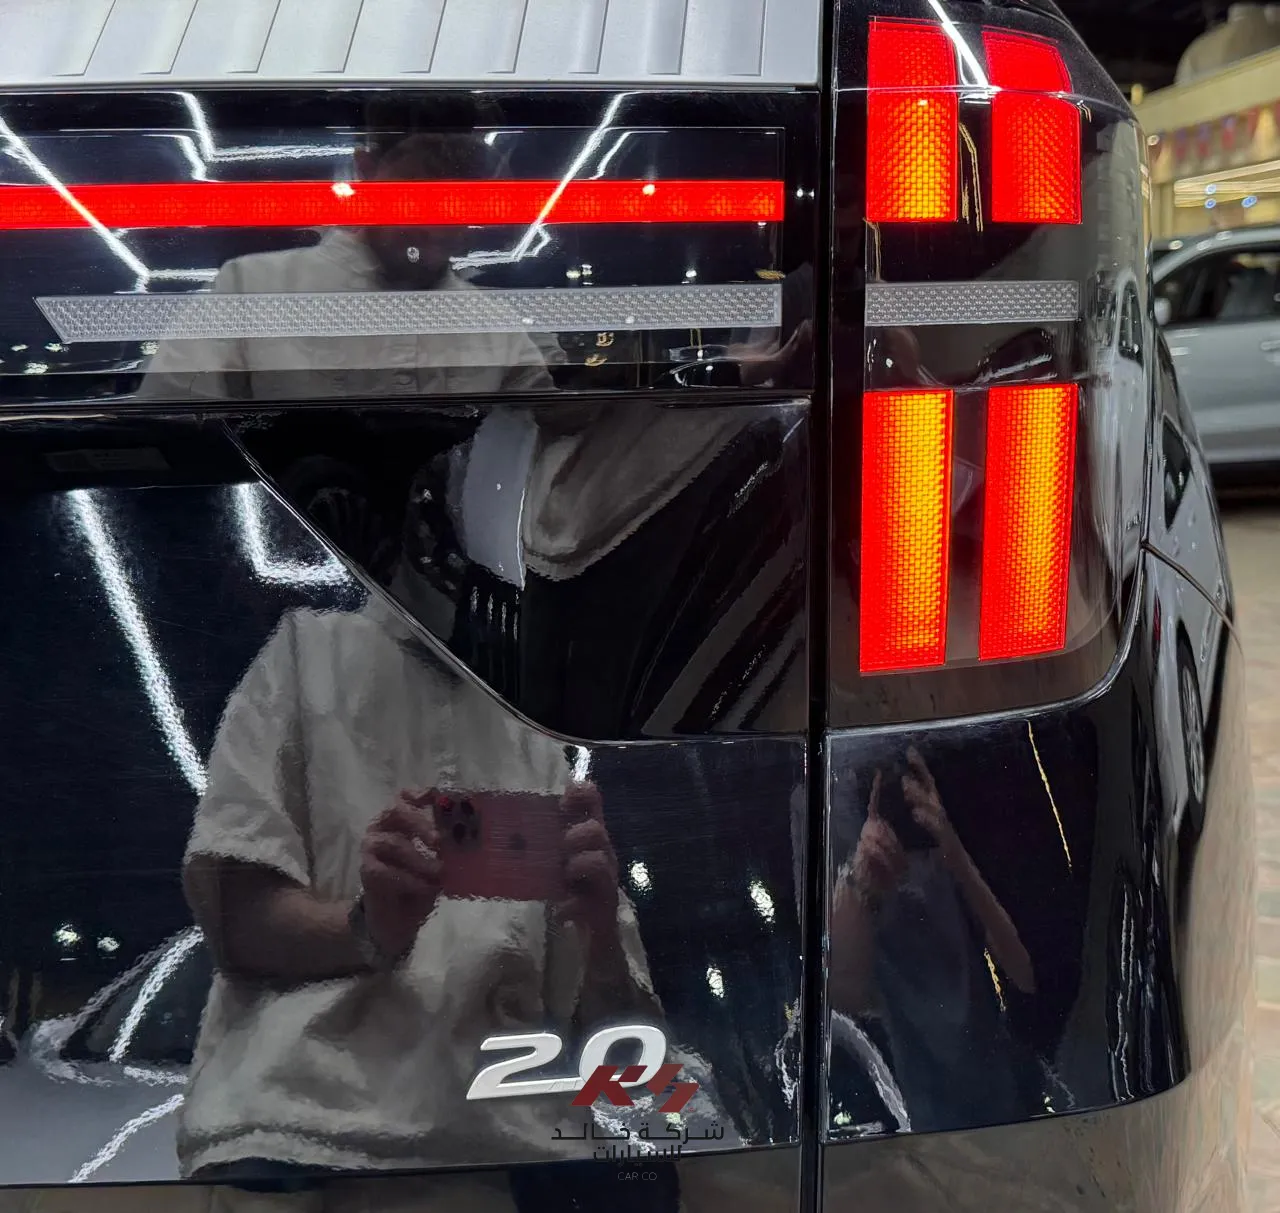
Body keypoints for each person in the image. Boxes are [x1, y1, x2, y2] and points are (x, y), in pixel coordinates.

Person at [177, 484, 660, 1207]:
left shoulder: (533, 731)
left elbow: (623, 1039)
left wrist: (599, 934)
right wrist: (368, 927)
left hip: (461, 1142)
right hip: (311, 1138)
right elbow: (238, 924)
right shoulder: (307, 653)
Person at [141, 131, 560, 402]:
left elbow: (554, 425)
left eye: (461, 205)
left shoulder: (495, 323)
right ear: (366, 170)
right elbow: (172, 423)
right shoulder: (253, 286)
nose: (435, 225)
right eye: (414, 197)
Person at [828, 748, 1036, 1131]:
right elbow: (842, 1000)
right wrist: (860, 884)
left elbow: (1023, 971)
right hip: (909, 1109)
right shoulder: (822, 800)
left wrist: (953, 849)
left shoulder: (966, 769)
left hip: (998, 1096)